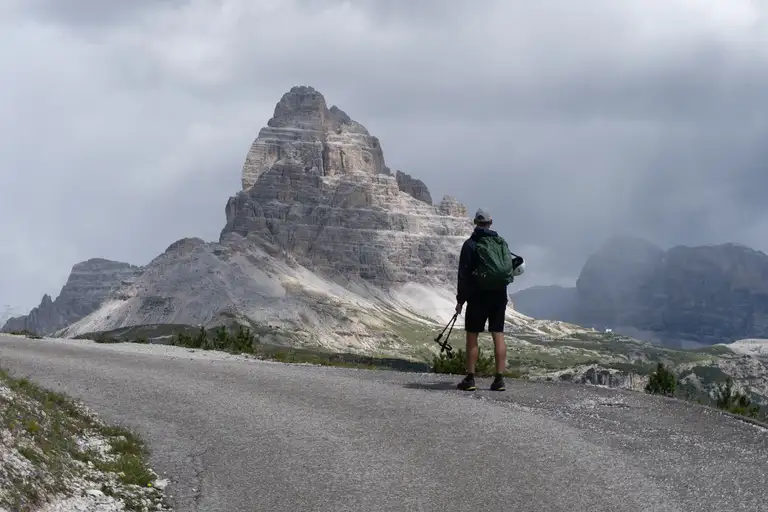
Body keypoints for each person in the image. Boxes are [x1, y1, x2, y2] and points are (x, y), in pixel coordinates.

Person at [454, 208, 524, 392]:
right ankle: (499, 380)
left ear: (476, 223)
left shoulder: (470, 244)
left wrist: (460, 300)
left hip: (478, 295)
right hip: (499, 295)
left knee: (472, 335)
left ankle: (470, 379)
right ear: (490, 223)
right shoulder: (501, 243)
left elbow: (463, 275)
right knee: (498, 334)